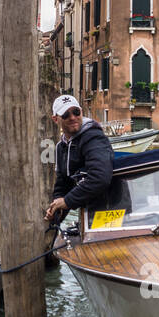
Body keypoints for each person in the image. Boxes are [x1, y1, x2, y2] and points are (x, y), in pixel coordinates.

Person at [44, 95, 114, 224]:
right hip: (89, 213)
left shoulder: (94, 138)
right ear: (55, 119)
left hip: (113, 209)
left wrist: (66, 201)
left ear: (81, 111)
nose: (72, 117)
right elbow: (63, 182)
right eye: (65, 114)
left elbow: (100, 177)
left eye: (76, 112)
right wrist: (56, 209)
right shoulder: (61, 147)